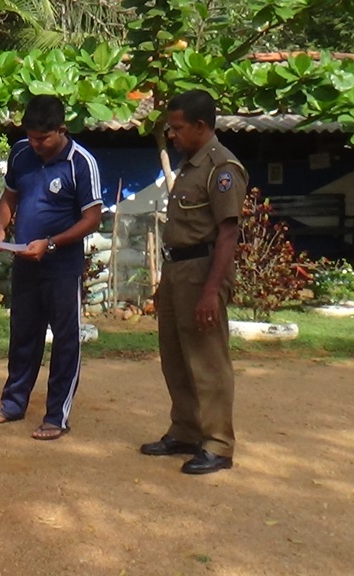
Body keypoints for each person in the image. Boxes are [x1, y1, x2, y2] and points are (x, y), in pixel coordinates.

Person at [0, 95, 103, 441]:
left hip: (62, 266)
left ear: (61, 130)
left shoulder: (81, 163)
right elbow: (10, 196)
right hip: (25, 263)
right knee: (23, 335)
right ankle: (12, 404)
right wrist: (0, 228)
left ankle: (56, 416)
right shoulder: (20, 153)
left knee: (65, 341)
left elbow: (92, 219)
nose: (35, 145)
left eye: (42, 138)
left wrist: (50, 244)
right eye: (30, 137)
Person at [140, 89, 247, 475]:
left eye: (178, 128)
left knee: (207, 360)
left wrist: (211, 292)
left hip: (203, 272)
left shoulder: (222, 168)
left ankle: (217, 444)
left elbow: (228, 234)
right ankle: (185, 430)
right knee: (175, 357)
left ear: (201, 126)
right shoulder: (190, 165)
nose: (172, 134)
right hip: (178, 271)